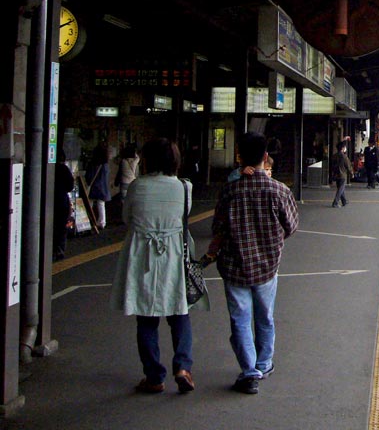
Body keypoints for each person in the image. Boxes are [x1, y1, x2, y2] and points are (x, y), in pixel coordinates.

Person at [110, 138, 209, 394]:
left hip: (142, 255)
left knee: (146, 317)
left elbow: (127, 218)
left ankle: (154, 376)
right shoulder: (184, 187)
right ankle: (183, 367)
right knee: (180, 312)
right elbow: (183, 216)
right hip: (174, 254)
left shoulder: (137, 186)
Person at [212, 131, 299, 395]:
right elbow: (291, 226)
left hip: (234, 266)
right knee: (265, 317)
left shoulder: (230, 190)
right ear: (265, 156)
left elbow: (218, 228)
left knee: (240, 319)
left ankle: (249, 372)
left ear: (240, 157)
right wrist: (272, 240)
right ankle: (264, 363)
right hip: (267, 266)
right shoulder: (279, 190)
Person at [53, 151, 74, 261]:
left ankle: (50, 248)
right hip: (62, 201)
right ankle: (59, 250)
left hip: (49, 201)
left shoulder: (49, 168)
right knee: (62, 227)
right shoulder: (64, 169)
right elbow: (70, 186)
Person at [85, 141, 111, 230]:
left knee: (90, 203)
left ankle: (88, 220)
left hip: (94, 186)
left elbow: (88, 176)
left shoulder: (92, 163)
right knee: (101, 204)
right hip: (103, 187)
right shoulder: (105, 165)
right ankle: (102, 222)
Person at [331, 143, 352, 208]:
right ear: (342, 148)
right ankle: (335, 203)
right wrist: (352, 173)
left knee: (340, 188)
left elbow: (332, 165)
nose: (345, 148)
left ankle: (344, 201)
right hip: (342, 175)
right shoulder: (344, 156)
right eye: (345, 147)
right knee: (340, 189)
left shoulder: (334, 156)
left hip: (336, 174)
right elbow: (348, 166)